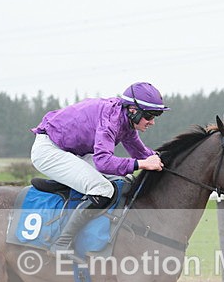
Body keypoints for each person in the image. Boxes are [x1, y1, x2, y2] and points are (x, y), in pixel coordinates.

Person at [30, 82, 169, 257]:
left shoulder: (125, 120)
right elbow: (104, 162)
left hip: (71, 151)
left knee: (123, 182)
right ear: (133, 110)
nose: (152, 122)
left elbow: (141, 153)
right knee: (103, 189)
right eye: (149, 115)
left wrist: (166, 162)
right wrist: (141, 164)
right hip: (49, 150)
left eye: (156, 116)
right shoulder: (111, 119)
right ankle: (61, 244)